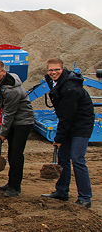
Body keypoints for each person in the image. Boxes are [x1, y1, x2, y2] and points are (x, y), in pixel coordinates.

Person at [41, 58, 94, 208]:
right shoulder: (56, 83)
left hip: (81, 125)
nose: (53, 72)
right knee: (63, 159)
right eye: (50, 70)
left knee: (77, 159)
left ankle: (85, 197)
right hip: (69, 124)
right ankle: (62, 191)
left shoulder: (70, 88)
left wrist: (58, 138)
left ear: (62, 69)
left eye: (56, 69)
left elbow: (67, 116)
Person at [0, 60, 34, 197]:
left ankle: (15, 187)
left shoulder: (11, 90)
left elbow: (8, 113)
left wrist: (2, 133)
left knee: (16, 155)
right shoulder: (4, 83)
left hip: (23, 123)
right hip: (15, 122)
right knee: (12, 154)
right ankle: (11, 183)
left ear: (3, 71)